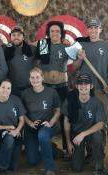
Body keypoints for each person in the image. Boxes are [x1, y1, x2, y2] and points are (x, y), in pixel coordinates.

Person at [73, 18, 108, 134]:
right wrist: (79, 58)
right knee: (83, 120)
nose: (93, 30)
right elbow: (74, 67)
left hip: (100, 89)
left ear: (100, 30)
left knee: (101, 121)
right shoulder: (80, 46)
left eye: (96, 28)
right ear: (87, 30)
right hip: (83, 90)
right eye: (90, 28)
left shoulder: (107, 45)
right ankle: (84, 150)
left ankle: (99, 152)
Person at [36, 20, 70, 155]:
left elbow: (78, 52)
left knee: (63, 116)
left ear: (61, 33)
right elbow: (32, 48)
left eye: (57, 31)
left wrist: (72, 45)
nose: (54, 33)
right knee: (46, 116)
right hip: (47, 87)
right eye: (52, 31)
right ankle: (45, 146)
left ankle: (67, 148)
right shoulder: (43, 44)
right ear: (48, 33)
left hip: (62, 86)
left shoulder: (66, 45)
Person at [62, 74, 105, 174]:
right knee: (77, 168)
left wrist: (83, 134)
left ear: (91, 86)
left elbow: (100, 124)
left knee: (98, 137)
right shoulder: (70, 100)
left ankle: (99, 168)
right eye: (80, 84)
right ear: (77, 86)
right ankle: (81, 154)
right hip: (76, 135)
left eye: (86, 84)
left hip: (89, 133)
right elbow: (66, 121)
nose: (83, 86)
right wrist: (68, 142)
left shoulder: (97, 102)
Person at [21, 67, 61, 175]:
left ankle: (49, 168)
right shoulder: (25, 93)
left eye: (37, 77)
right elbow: (22, 113)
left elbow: (58, 110)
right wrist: (30, 123)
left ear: (42, 78)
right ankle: (49, 147)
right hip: (32, 127)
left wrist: (51, 122)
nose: (35, 80)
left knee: (43, 135)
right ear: (29, 80)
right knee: (32, 161)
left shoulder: (51, 92)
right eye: (32, 78)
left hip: (47, 125)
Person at [0, 79, 25, 173]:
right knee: (9, 138)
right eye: (3, 87)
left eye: (8, 88)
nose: (5, 90)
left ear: (11, 89)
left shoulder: (16, 100)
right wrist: (9, 127)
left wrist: (16, 130)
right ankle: (2, 168)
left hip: (15, 131)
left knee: (13, 167)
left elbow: (22, 120)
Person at [3, 26, 36, 97]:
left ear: (23, 37)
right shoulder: (5, 50)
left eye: (19, 35)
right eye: (13, 35)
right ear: (10, 37)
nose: (16, 37)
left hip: (29, 88)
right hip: (12, 89)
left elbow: (45, 45)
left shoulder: (32, 49)